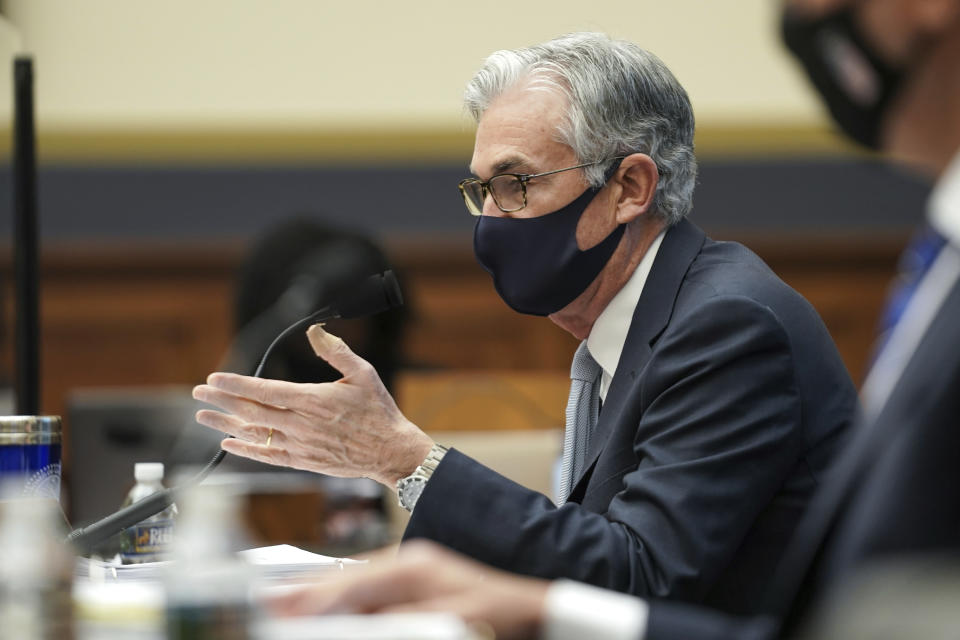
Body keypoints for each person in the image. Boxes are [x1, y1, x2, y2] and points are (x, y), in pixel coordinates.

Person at [269, 1, 960, 638]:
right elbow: (591, 548)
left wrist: (409, 461)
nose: (488, 222)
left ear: (629, 188)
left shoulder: (728, 326)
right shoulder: (628, 329)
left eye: (515, 185)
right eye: (480, 191)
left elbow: (641, 575)